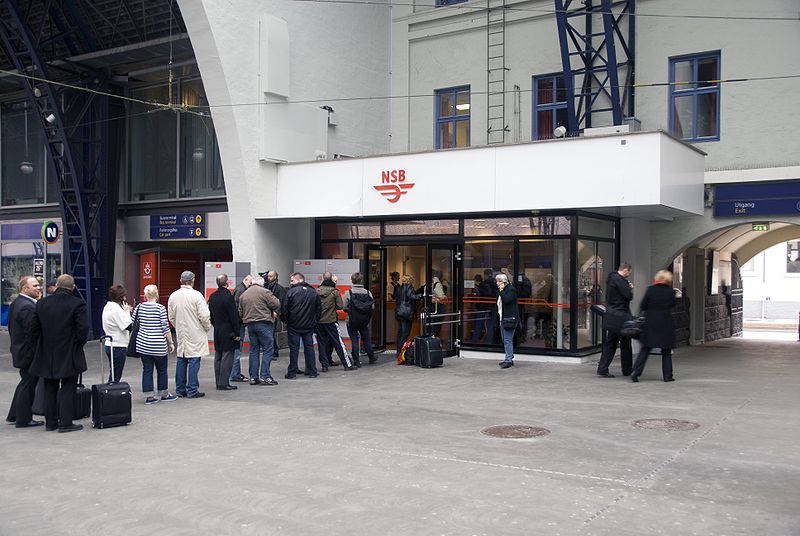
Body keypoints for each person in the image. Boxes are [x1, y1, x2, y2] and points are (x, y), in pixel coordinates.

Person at [28, 274, 88, 432]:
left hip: (47, 352)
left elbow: (33, 330)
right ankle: (66, 423)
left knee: (49, 387)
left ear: (56, 286)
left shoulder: (42, 303)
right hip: (69, 352)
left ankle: (51, 423)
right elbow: (83, 330)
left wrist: (38, 347)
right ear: (72, 287)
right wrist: (77, 344)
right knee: (68, 387)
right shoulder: (77, 304)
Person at [5, 276, 43, 428]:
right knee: (28, 384)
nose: (38, 288)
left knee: (24, 382)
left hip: (20, 349)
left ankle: (15, 414)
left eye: (38, 285)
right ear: (24, 288)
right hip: (27, 352)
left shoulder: (18, 303)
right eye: (34, 285)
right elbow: (31, 333)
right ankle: (24, 418)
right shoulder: (27, 306)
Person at [168, 271, 211, 398]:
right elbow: (204, 315)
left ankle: (180, 389)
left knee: (181, 358)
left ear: (181, 281)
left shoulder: (173, 296)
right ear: (193, 280)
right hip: (196, 331)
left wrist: (178, 326)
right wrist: (206, 327)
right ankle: (192, 389)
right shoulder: (197, 295)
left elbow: (171, 316)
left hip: (181, 332)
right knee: (194, 358)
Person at [131, 285, 178, 404]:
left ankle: (149, 397)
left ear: (145, 295)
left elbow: (132, 322)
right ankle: (164, 394)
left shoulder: (139, 308)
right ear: (156, 295)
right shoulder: (160, 308)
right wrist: (171, 342)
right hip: (158, 344)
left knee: (147, 369)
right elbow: (165, 327)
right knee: (162, 369)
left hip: (142, 344)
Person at [631, 270, 676, 383]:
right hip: (665, 322)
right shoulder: (670, 292)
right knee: (666, 351)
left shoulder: (651, 290)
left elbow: (643, 305)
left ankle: (636, 372)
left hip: (651, 322)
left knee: (645, 348)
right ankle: (667, 376)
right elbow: (672, 304)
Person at [238, 275, 281, 385]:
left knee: (254, 351)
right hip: (264, 323)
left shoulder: (244, 294)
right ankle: (265, 376)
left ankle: (253, 377)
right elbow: (276, 303)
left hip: (250, 325)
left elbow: (240, 311)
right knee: (268, 349)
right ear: (262, 283)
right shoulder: (265, 292)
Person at [596, 262, 634, 378]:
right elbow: (628, 295)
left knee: (610, 343)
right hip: (621, 316)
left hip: (612, 315)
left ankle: (602, 368)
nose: (629, 274)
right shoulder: (621, 281)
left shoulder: (611, 279)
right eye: (629, 272)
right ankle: (627, 369)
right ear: (626, 270)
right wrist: (630, 287)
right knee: (626, 344)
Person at [282, 272, 321, 379]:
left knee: (294, 349)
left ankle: (292, 372)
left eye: (292, 280)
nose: (291, 282)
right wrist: (315, 321)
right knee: (309, 348)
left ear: (299, 280)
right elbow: (318, 309)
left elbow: (284, 309)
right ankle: (312, 371)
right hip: (309, 326)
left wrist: (286, 321)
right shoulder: (313, 292)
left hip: (294, 325)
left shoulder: (291, 292)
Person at [208, 274, 241, 391]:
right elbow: (233, 316)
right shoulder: (228, 297)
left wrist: (215, 325)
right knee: (227, 357)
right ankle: (224, 383)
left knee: (218, 356)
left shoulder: (212, 297)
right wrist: (237, 333)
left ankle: (218, 382)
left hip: (217, 330)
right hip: (228, 331)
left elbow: (210, 315)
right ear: (227, 283)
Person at [316, 272, 355, 372]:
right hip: (331, 320)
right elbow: (340, 306)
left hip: (319, 322)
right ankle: (347, 364)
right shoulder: (335, 292)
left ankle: (324, 365)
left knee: (321, 343)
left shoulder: (316, 291)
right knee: (338, 342)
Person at [101, 285, 132, 383]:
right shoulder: (116, 310)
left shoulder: (107, 307)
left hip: (109, 344)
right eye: (124, 296)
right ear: (121, 297)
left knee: (113, 372)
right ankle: (112, 394)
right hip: (118, 345)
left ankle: (110, 392)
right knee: (116, 375)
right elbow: (128, 326)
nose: (125, 298)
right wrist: (127, 312)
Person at [344, 272, 376, 366]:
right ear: (361, 280)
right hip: (364, 320)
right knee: (366, 339)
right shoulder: (367, 292)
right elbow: (372, 306)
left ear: (352, 281)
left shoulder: (348, 293)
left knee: (354, 340)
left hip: (351, 320)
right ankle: (371, 357)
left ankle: (356, 360)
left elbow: (344, 306)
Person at [231, 274, 253, 383]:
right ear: (245, 280)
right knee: (237, 350)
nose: (251, 284)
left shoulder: (239, 288)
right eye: (250, 282)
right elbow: (238, 308)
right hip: (239, 324)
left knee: (236, 350)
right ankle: (235, 374)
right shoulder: (241, 290)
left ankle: (236, 373)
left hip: (238, 323)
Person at [496, 273, 519, 369]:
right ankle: (508, 357)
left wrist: (501, 290)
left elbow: (507, 300)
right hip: (503, 318)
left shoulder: (511, 289)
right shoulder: (503, 290)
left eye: (499, 281)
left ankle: (508, 360)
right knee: (504, 339)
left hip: (509, 319)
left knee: (507, 339)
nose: (497, 283)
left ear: (504, 282)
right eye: (497, 281)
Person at [394, 274, 420, 359]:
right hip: (406, 313)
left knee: (400, 333)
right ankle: (401, 353)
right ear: (409, 280)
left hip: (399, 311)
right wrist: (420, 296)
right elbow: (411, 296)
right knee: (405, 333)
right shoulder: (409, 287)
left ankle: (398, 351)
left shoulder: (399, 287)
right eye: (412, 280)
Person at [266, 270, 287, 361]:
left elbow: (281, 301)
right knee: (269, 332)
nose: (268, 278)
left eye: (271, 276)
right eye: (268, 276)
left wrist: (277, 312)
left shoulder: (279, 288)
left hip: (274, 313)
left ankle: (274, 351)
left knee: (271, 332)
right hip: (267, 313)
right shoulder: (266, 286)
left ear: (275, 277)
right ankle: (273, 350)